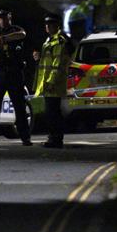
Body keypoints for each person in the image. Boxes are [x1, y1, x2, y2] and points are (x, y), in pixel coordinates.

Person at [0, 9, 32, 146]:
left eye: (4, 17)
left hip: (14, 72)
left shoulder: (16, 29)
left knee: (19, 106)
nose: (2, 20)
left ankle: (25, 138)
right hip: (0, 72)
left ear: (9, 17)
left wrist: (4, 39)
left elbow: (22, 34)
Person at [33, 13, 75, 148]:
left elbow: (57, 64)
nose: (47, 27)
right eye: (46, 25)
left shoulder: (59, 41)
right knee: (51, 112)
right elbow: (48, 62)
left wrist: (50, 82)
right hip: (48, 83)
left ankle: (56, 139)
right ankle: (53, 137)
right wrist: (38, 58)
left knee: (53, 113)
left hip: (54, 84)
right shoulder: (49, 40)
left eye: (50, 24)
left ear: (57, 26)